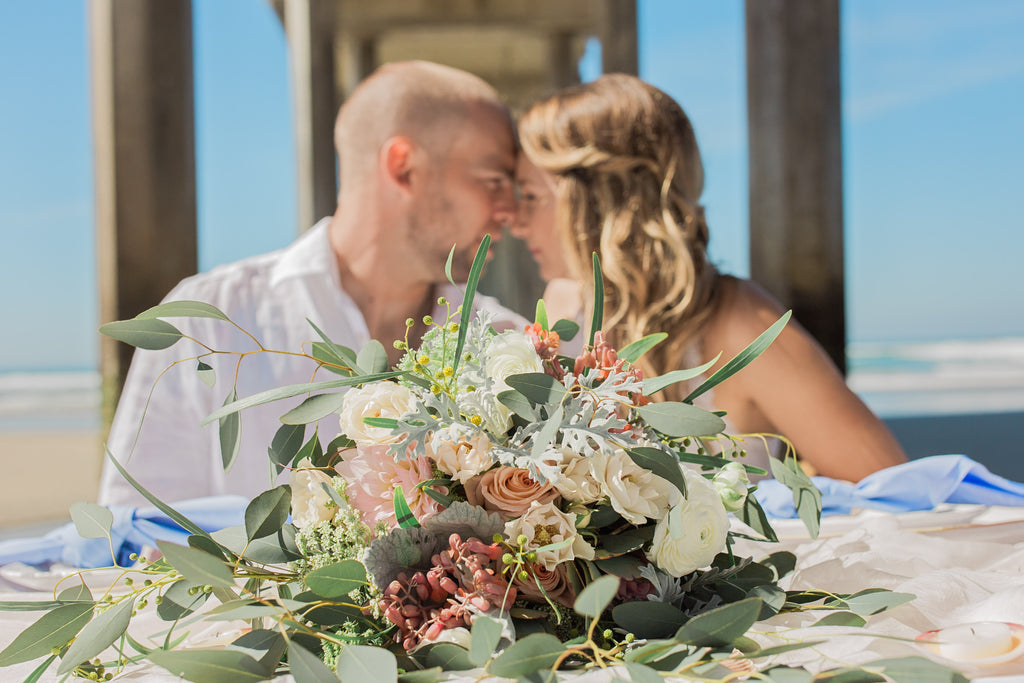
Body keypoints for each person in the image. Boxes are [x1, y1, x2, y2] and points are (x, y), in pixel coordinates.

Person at [98, 61, 523, 506]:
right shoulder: (209, 319)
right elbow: (137, 530)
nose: (510, 210)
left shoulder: (506, 346)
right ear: (404, 168)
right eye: (493, 180)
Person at [512, 73, 907, 482]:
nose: (517, 223)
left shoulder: (740, 325)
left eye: (532, 197)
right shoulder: (561, 304)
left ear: (598, 200)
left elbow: (893, 486)